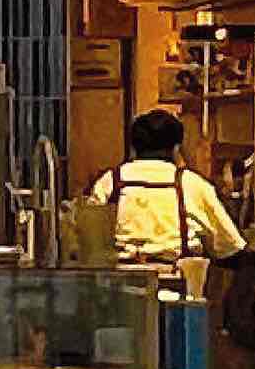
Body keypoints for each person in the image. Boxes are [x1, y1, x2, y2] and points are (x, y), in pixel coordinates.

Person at [92, 109, 243, 270]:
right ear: (176, 148)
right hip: (178, 278)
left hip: (118, 279)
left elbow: (89, 240)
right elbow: (229, 247)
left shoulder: (110, 181)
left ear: (133, 146)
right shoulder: (192, 184)